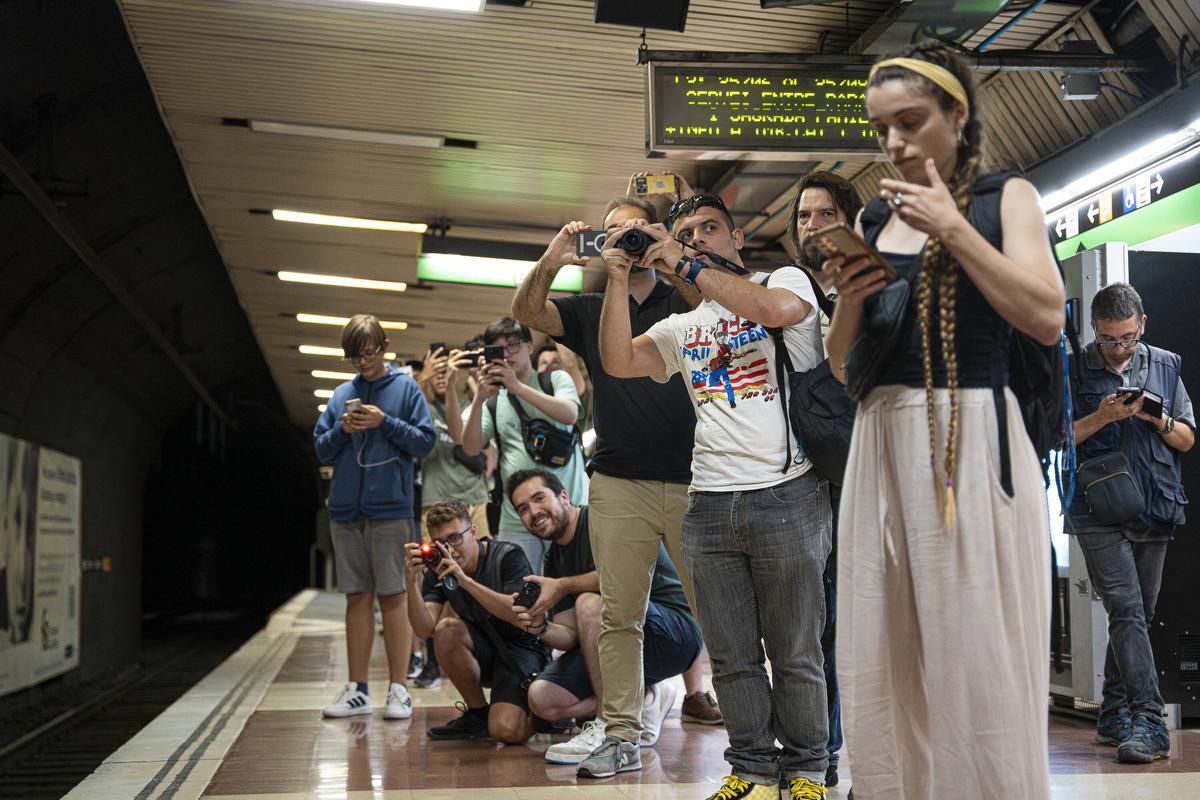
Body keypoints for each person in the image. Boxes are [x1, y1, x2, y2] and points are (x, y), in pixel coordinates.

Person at [821, 43, 1065, 799]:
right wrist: (853, 295)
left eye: (911, 121)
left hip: (968, 433)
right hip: (881, 435)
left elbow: (1048, 316)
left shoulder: (1005, 199)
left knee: (974, 641)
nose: (894, 141)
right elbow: (840, 363)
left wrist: (954, 228)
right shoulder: (873, 214)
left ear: (957, 116)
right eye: (882, 127)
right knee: (880, 643)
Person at [598, 192, 832, 799]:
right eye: (687, 232)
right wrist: (618, 279)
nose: (699, 238)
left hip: (786, 494)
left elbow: (776, 312)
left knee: (795, 649)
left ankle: (807, 768)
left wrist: (687, 261)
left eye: (710, 229)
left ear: (736, 239)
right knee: (730, 654)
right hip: (707, 502)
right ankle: (751, 768)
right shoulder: (681, 325)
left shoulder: (782, 279)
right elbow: (619, 361)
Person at [512, 182, 723, 776]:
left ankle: (747, 725)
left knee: (717, 607)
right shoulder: (586, 311)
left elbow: (721, 304)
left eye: (636, 231)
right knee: (619, 613)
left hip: (691, 476)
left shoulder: (682, 302)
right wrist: (554, 260)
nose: (626, 245)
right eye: (616, 235)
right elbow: (527, 313)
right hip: (618, 482)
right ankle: (622, 732)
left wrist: (668, 253)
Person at [506, 468, 704, 773]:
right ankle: (646, 696)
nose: (533, 512)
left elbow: (625, 578)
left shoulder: (602, 520)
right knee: (542, 698)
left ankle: (609, 724)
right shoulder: (553, 558)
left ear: (563, 496)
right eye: (523, 508)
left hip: (674, 630)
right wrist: (540, 627)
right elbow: (572, 635)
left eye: (538, 498)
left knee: (591, 602)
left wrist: (564, 585)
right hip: (622, 640)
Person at [1068, 282, 1193, 763]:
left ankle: (1113, 713)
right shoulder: (1073, 366)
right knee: (1125, 607)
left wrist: (1156, 421)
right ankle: (1149, 720)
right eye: (1107, 339)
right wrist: (1101, 417)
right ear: (1094, 331)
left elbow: (1186, 439)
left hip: (1156, 503)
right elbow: (1056, 439)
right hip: (1096, 507)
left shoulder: (1165, 364)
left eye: (1125, 338)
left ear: (1142, 325)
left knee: (1139, 609)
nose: (1118, 348)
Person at [313, 314, 435, 720]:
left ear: (383, 348)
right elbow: (321, 450)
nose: (362, 363)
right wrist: (343, 430)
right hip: (346, 510)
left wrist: (385, 422)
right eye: (354, 357)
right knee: (356, 598)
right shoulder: (340, 395)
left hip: (391, 509)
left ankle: (399, 688)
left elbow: (425, 442)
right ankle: (358, 689)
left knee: (394, 597)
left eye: (368, 354)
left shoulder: (405, 389)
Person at [786, 169, 864, 789]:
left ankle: (849, 745)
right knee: (815, 621)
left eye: (823, 213)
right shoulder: (783, 290)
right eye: (804, 216)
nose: (811, 224)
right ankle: (823, 746)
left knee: (851, 619)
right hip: (807, 476)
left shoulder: (870, 285)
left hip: (866, 471)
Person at [403, 497, 549, 743]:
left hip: (522, 650)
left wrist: (465, 582)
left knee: (505, 731)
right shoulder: (439, 569)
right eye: (439, 543)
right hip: (487, 650)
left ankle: (548, 716)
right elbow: (423, 629)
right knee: (447, 630)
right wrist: (410, 581)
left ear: (473, 532)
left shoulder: (508, 556)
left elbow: (519, 616)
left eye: (455, 538)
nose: (449, 549)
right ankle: (478, 715)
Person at [458, 318, 587, 573]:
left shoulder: (555, 379)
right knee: (522, 596)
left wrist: (517, 387)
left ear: (529, 346)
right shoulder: (492, 401)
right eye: (498, 350)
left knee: (574, 593)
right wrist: (479, 398)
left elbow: (570, 414)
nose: (507, 355)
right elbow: (471, 447)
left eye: (514, 346)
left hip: (567, 513)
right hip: (517, 520)